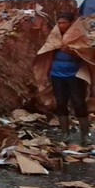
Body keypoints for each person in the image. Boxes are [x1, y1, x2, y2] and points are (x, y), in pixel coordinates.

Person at [34, 12, 95, 145]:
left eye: (64, 23)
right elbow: (49, 54)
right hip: (57, 75)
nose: (61, 25)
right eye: (59, 23)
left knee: (79, 103)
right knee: (61, 104)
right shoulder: (55, 37)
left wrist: (71, 51)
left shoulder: (79, 37)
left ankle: (85, 135)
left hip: (75, 76)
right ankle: (65, 134)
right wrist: (45, 73)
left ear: (71, 23)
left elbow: (87, 55)